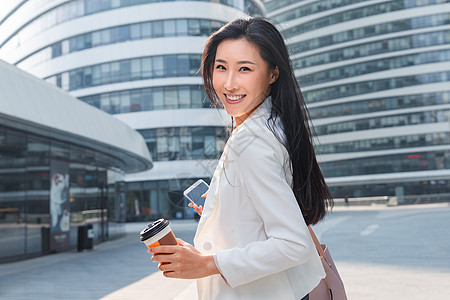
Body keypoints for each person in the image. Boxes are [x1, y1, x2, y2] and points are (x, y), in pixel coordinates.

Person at [149, 17, 334, 300]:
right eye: (221, 67)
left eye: (245, 69)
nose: (230, 83)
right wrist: (226, 206)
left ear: (273, 73)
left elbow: (292, 243)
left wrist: (206, 264)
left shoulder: (252, 141)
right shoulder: (272, 123)